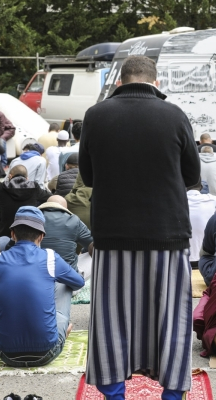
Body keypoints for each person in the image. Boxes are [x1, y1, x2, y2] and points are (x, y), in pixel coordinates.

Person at [79, 55, 200, 400]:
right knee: (170, 319)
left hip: (112, 233)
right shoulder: (174, 114)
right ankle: (172, 394)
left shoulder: (96, 115)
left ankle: (115, 394)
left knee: (111, 319)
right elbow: (191, 175)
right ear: (155, 83)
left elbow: (88, 176)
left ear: (120, 82)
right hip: (167, 232)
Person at [0, 206, 84, 367]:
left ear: (12, 234)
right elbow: (78, 282)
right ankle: (60, 331)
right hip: (46, 353)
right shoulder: (50, 257)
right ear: (41, 236)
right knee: (64, 285)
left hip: (5, 354)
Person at [0, 165, 50, 238]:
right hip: (29, 232)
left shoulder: (2, 187)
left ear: (10, 176)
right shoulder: (34, 187)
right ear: (27, 178)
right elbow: (49, 197)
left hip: (6, 232)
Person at [38, 195, 92, 271]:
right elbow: (92, 244)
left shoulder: (33, 219)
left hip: (37, 272)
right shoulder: (74, 220)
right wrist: (83, 251)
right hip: (67, 275)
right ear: (65, 208)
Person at [187, 178, 216, 269]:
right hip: (207, 261)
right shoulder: (215, 201)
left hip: (183, 259)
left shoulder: (175, 201)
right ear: (201, 187)